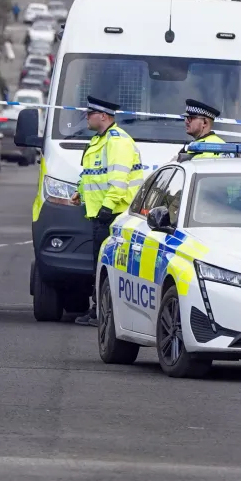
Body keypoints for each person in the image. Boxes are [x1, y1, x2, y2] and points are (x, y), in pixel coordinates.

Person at [69, 95, 144, 326]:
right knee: (100, 266)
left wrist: (106, 209)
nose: (86, 118)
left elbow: (118, 181)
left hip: (113, 215)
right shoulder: (99, 140)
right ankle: (98, 311)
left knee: (107, 268)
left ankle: (101, 313)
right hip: (101, 212)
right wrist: (80, 191)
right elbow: (91, 173)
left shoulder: (117, 141)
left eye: (90, 114)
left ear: (103, 116)